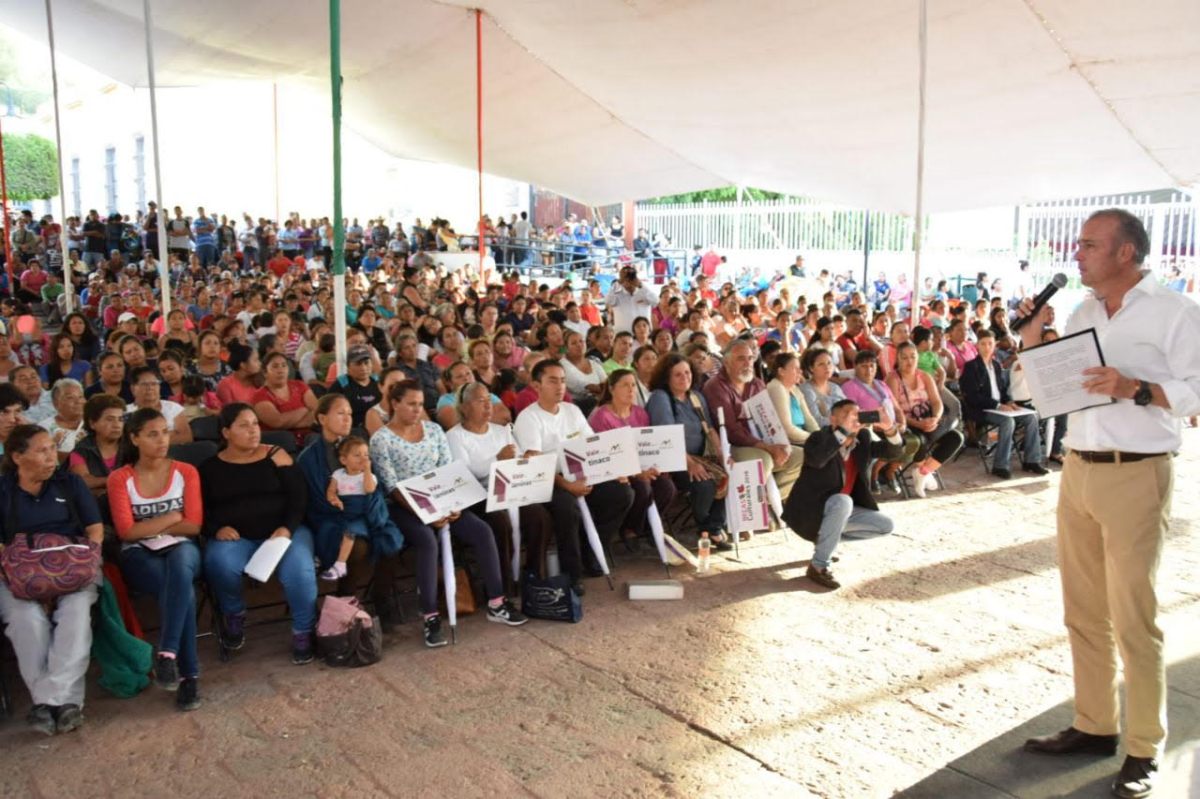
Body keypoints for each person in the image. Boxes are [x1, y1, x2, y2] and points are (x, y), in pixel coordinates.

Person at [1017, 210, 1200, 798]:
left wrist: (1136, 388)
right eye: (1079, 245)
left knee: (1133, 617)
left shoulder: (1175, 312)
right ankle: (1095, 725)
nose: (1078, 254)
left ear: (1126, 253)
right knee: (1083, 610)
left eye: (1090, 245)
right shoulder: (1081, 312)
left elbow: (1197, 391)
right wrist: (1031, 346)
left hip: (1136, 473)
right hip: (1078, 469)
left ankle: (1145, 747)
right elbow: (1045, 392)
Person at [371, 380, 527, 647]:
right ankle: (431, 617)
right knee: (427, 541)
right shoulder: (381, 439)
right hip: (406, 506)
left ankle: (497, 602)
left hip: (443, 499)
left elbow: (448, 471)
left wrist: (452, 504)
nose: (417, 410)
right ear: (394, 404)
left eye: (420, 404)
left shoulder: (433, 430)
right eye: (410, 404)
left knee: (482, 531)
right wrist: (427, 513)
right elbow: (392, 486)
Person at [0, 424, 104, 735]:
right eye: (42, 450)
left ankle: (46, 703)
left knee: (75, 614)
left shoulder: (68, 482)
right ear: (18, 457)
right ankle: (67, 705)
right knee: (24, 619)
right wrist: (22, 576)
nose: (52, 457)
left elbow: (94, 528)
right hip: (18, 573)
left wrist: (89, 560)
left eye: (51, 449)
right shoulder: (3, 490)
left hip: (73, 567)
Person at [200, 404, 318, 665]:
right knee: (219, 563)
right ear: (226, 432)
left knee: (299, 571)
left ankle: (303, 631)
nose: (253, 431)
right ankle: (233, 614)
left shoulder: (277, 456)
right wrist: (216, 529)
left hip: (284, 532)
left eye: (255, 424)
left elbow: (299, 498)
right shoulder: (210, 468)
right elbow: (201, 510)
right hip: (237, 537)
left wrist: (287, 527)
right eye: (244, 425)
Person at [107, 409, 203, 712]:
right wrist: (173, 516)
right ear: (134, 438)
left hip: (181, 548)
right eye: (152, 434)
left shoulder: (185, 471)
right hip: (139, 554)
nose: (162, 440)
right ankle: (188, 675)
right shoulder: (120, 478)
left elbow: (194, 526)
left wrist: (153, 526)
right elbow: (126, 532)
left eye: (165, 431)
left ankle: (168, 656)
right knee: (180, 590)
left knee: (182, 568)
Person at [513, 360, 634, 595]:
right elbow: (535, 464)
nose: (560, 386)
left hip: (581, 472)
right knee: (567, 506)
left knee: (623, 493)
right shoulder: (529, 418)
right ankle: (572, 573)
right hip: (548, 480)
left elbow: (592, 446)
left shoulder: (572, 410)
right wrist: (567, 485)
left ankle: (590, 550)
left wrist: (612, 470)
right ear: (537, 386)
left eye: (563, 380)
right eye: (552, 381)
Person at [297, 393, 404, 629]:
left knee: (391, 540)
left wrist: (369, 507)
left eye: (349, 413)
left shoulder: (359, 445)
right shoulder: (309, 458)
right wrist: (344, 509)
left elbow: (374, 485)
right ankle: (347, 602)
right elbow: (316, 500)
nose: (347, 418)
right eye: (340, 413)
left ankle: (381, 596)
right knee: (356, 545)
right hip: (332, 518)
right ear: (322, 418)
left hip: (368, 511)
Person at [446, 382, 553, 589]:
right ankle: (501, 585)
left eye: (489, 400)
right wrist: (497, 458)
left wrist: (528, 458)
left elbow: (518, 458)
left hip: (510, 490)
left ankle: (533, 576)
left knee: (539, 517)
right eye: (480, 401)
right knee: (499, 522)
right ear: (465, 407)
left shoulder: (501, 430)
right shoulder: (454, 436)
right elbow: (465, 473)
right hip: (479, 494)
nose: (488, 406)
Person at [782, 400, 893, 590]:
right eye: (847, 415)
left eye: (856, 415)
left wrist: (890, 429)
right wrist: (842, 432)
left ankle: (827, 541)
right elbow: (817, 459)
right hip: (811, 514)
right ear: (833, 419)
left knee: (885, 525)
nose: (853, 420)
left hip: (841, 512)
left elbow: (894, 451)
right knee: (843, 501)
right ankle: (819, 565)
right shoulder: (818, 438)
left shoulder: (863, 439)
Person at [644, 354, 731, 548]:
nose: (685, 378)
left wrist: (723, 455)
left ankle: (713, 528)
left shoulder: (696, 396)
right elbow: (665, 438)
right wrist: (690, 463)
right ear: (667, 378)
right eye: (677, 375)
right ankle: (708, 529)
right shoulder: (661, 398)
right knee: (704, 484)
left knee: (728, 474)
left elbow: (709, 429)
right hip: (671, 458)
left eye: (687, 372)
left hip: (700, 456)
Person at [702, 339, 803, 501]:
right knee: (763, 461)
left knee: (799, 456)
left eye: (750, 358)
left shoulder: (756, 384)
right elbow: (731, 430)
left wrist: (779, 443)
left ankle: (770, 502)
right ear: (726, 363)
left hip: (760, 442)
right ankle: (754, 509)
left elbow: (770, 420)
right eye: (741, 359)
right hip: (729, 447)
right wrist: (769, 448)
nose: (747, 363)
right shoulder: (715, 386)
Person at [588, 369, 676, 552]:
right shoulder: (601, 417)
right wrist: (636, 472)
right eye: (625, 385)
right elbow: (606, 455)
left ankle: (646, 526)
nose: (631, 390)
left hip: (640, 465)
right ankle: (629, 529)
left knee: (666, 487)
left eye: (633, 385)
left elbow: (647, 444)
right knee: (642, 487)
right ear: (612, 389)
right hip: (614, 471)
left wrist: (656, 464)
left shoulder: (640, 413)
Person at [960, 329, 1045, 479]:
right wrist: (998, 405)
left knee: (1032, 417)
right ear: (977, 346)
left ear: (994, 346)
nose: (987, 347)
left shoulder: (997, 365)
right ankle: (1000, 465)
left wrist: (1010, 402)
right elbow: (973, 397)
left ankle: (1032, 461)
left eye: (990, 344)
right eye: (983, 344)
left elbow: (1003, 390)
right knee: (1008, 421)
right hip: (982, 409)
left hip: (1000, 407)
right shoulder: (971, 367)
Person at [886, 342, 964, 498]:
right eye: (905, 358)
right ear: (898, 359)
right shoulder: (893, 378)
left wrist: (935, 418)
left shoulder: (925, 376)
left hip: (928, 419)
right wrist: (918, 423)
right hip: (907, 423)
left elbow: (937, 402)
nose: (909, 361)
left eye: (913, 357)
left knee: (957, 437)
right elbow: (896, 411)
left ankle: (923, 472)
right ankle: (924, 473)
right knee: (919, 440)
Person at [253, 352, 317, 447]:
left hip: (310, 438)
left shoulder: (300, 385)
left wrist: (289, 422)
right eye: (275, 366)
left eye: (284, 365)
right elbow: (277, 422)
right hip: (281, 444)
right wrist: (305, 409)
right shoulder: (260, 395)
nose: (281, 370)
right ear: (265, 372)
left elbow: (317, 411)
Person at [69, 393, 125, 500]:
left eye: (120, 419)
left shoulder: (132, 444)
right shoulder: (81, 450)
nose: (117, 425)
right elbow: (83, 481)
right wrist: (116, 479)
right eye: (110, 419)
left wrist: (100, 482)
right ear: (92, 423)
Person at [126, 365, 193, 443]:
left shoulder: (173, 408)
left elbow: (186, 437)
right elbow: (127, 442)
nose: (150, 388)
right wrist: (170, 434)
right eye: (144, 384)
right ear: (133, 388)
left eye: (154, 383)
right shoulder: (125, 411)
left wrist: (147, 439)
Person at [766, 352, 818, 451]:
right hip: (788, 442)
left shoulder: (794, 389)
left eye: (800, 368)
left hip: (803, 438)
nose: (800, 372)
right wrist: (814, 438)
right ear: (781, 371)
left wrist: (819, 436)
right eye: (795, 368)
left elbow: (809, 419)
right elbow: (787, 428)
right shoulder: (776, 387)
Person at [329, 344, 382, 430]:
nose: (363, 368)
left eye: (366, 363)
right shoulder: (341, 384)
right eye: (358, 364)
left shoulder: (378, 383)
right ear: (348, 367)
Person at [606, 265, 658, 333]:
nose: (628, 281)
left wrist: (641, 285)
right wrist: (618, 283)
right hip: (623, 335)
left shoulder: (644, 292)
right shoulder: (616, 295)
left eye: (631, 277)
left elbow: (656, 301)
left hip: (644, 334)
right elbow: (608, 301)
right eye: (625, 278)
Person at [215, 343, 262, 407]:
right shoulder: (226, 385)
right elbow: (229, 412)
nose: (259, 363)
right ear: (243, 365)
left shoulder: (259, 380)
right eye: (255, 360)